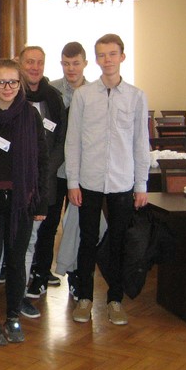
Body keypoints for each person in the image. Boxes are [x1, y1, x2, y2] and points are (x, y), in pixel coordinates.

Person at [66, 34, 149, 326]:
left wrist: (141, 184)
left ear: (122, 57)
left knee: (118, 241)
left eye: (112, 54)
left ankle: (115, 299)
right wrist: (72, 182)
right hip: (88, 180)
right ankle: (84, 297)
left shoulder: (136, 96)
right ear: (96, 59)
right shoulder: (83, 96)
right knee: (87, 240)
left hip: (122, 181)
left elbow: (141, 143)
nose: (107, 60)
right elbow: (73, 141)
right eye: (102, 55)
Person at [0, 59, 48, 345]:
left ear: (20, 84)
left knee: (17, 262)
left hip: (21, 200)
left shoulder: (31, 115)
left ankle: (13, 316)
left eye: (13, 82)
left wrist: (41, 202)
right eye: (1, 82)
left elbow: (42, 160)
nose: (7, 87)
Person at [17, 46, 66, 319]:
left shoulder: (53, 98)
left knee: (38, 236)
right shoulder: (10, 91)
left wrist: (46, 170)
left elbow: (61, 140)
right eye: (30, 62)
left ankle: (30, 285)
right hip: (14, 180)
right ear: (20, 63)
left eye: (39, 62)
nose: (35, 67)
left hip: (45, 180)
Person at [49, 42, 90, 299]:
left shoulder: (94, 92)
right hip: (55, 169)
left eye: (75, 63)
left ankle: (76, 276)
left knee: (78, 226)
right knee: (50, 222)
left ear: (85, 63)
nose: (71, 68)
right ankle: (43, 272)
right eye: (66, 63)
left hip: (82, 171)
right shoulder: (51, 90)